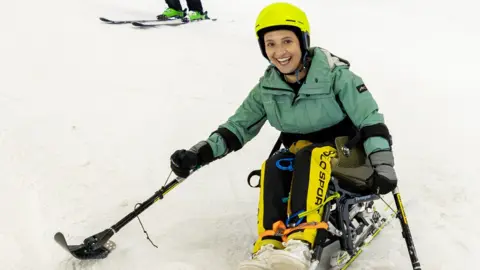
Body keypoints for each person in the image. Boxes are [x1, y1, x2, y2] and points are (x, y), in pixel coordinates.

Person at [169, 2, 398, 269]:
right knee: (276, 164)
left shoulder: (337, 77)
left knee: (311, 155)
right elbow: (236, 128)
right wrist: (199, 154)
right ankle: (270, 244)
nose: (280, 52)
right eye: (270, 44)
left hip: (352, 158)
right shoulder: (268, 88)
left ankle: (302, 242)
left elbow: (370, 121)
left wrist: (384, 165)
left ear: (303, 41)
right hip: (304, 157)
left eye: (287, 41)